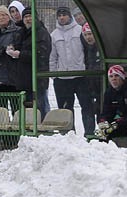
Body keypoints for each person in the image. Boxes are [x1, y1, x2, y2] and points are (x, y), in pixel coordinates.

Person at [50, 6, 95, 136]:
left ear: (70, 16)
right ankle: (68, 135)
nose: (62, 17)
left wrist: (87, 69)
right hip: (62, 78)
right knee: (65, 109)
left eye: (64, 15)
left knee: (87, 106)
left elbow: (88, 52)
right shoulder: (54, 35)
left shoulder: (80, 31)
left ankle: (90, 134)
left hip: (81, 76)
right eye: (59, 15)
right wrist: (54, 75)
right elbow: (52, 57)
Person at [11, 7, 52, 115]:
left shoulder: (41, 32)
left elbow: (41, 54)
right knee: (27, 111)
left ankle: (42, 129)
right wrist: (11, 49)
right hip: (23, 78)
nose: (28, 19)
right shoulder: (21, 33)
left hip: (37, 78)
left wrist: (20, 54)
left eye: (30, 16)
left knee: (39, 109)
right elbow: (17, 47)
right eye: (25, 17)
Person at [81, 23, 101, 119]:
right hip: (92, 85)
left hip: (101, 86)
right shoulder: (87, 49)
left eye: (90, 34)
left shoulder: (102, 48)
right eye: (85, 35)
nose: (88, 37)